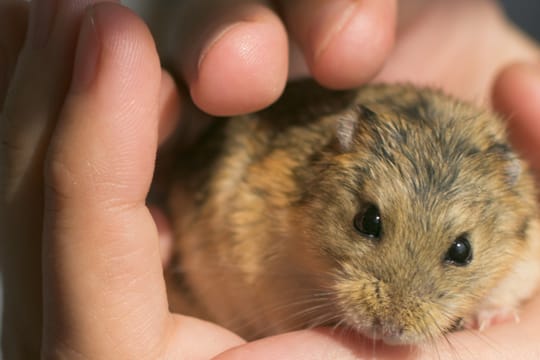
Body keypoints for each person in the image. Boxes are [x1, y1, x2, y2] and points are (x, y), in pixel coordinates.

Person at [1, 0, 539, 358]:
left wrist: (489, 302)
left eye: (458, 252)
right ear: (339, 161)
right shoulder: (293, 179)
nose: (396, 312)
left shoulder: (511, 207)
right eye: (370, 224)